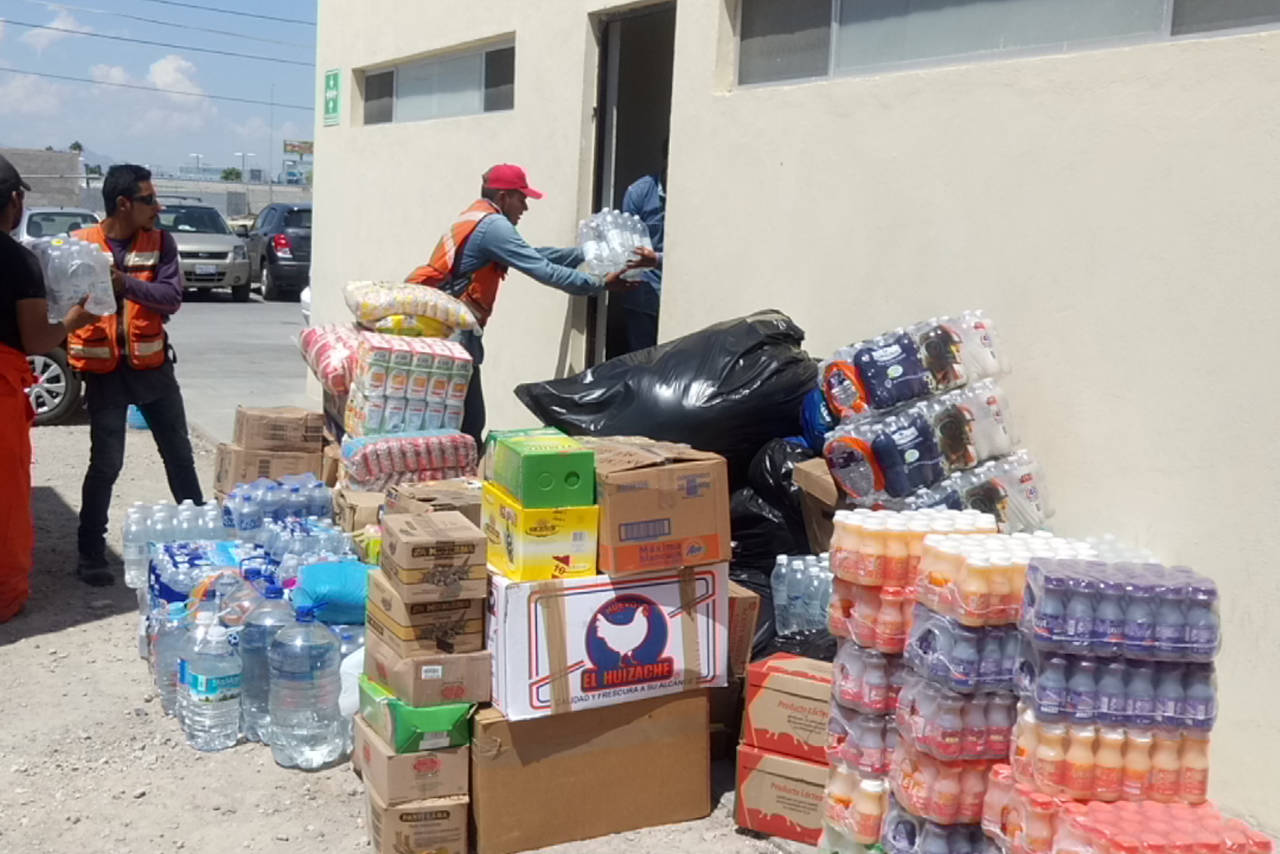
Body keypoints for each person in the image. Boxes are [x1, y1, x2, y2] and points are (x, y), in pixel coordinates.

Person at [406, 163, 641, 449]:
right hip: (452, 335)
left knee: (463, 421)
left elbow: (531, 255)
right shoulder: (493, 226)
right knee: (469, 424)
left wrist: (585, 253)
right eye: (522, 198)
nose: (525, 207)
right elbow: (542, 269)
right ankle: (464, 472)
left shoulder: (479, 217)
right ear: (504, 197)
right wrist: (601, 283)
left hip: (448, 332)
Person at [69, 164, 203, 586]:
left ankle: (202, 542)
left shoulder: (161, 242)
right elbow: (60, 304)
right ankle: (91, 551)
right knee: (106, 464)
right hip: (105, 373)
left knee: (179, 456)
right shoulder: (79, 244)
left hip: (153, 368)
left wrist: (123, 283)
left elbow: (170, 297)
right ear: (123, 203)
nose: (156, 207)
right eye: (149, 200)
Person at [0, 155, 100, 620]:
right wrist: (76, 318)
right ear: (14, 202)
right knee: (6, 498)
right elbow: (38, 339)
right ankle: (5, 595)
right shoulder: (16, 260)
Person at [607, 166, 666, 358]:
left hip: (680, 293)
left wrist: (657, 259)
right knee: (642, 361)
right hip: (643, 298)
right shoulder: (639, 193)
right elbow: (628, 247)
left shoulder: (692, 192)